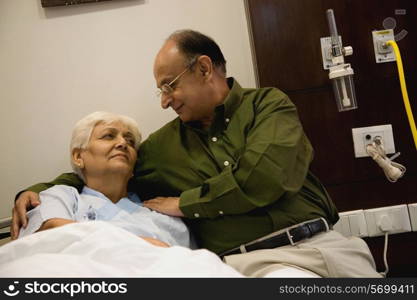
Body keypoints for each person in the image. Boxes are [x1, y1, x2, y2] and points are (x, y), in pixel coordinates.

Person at [12, 30, 381, 277]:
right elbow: (106, 172)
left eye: (168, 86)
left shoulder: (268, 105)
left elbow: (265, 177)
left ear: (204, 68)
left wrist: (186, 204)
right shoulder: (159, 149)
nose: (164, 100)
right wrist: (39, 191)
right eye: (160, 90)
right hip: (263, 264)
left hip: (330, 243)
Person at [17, 111, 192, 249]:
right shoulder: (61, 196)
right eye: (109, 136)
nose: (123, 143)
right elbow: (49, 231)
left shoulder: (163, 215)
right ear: (78, 157)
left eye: (130, 141)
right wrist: (139, 244)